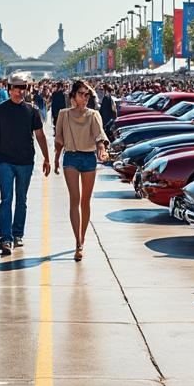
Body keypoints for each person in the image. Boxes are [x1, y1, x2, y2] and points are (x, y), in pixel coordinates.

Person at [0, 72, 51, 256]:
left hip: (25, 161)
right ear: (9, 89)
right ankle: (5, 238)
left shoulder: (32, 111)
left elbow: (40, 135)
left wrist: (46, 158)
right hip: (5, 160)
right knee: (6, 199)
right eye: (17, 88)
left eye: (24, 88)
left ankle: (17, 234)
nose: (20, 92)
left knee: (21, 199)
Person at [54, 80, 110, 261]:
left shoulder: (93, 115)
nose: (85, 98)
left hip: (88, 158)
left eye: (87, 95)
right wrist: (55, 159)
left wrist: (101, 149)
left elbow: (99, 135)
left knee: (85, 201)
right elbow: (59, 140)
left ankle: (82, 238)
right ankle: (77, 241)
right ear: (73, 97)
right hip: (70, 157)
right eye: (81, 94)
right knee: (74, 199)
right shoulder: (64, 114)